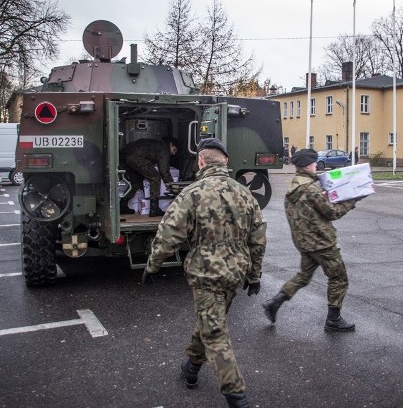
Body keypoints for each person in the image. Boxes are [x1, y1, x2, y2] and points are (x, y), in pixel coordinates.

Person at [142, 138, 266, 408]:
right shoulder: (245, 194)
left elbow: (168, 234)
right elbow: (258, 238)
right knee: (212, 322)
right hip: (236, 272)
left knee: (214, 332)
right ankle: (191, 366)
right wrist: (254, 275)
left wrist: (153, 265)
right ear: (226, 162)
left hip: (206, 273)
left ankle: (236, 395)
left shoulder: (192, 194)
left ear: (200, 161)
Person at [262, 148, 364, 332]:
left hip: (305, 243)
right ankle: (333, 319)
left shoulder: (295, 185)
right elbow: (332, 212)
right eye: (315, 163)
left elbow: (307, 211)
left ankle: (274, 302)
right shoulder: (311, 188)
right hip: (322, 243)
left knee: (303, 276)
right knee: (339, 278)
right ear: (308, 165)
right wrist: (352, 200)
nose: (316, 165)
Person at [120, 136, 178, 216]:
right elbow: (164, 172)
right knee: (155, 177)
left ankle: (122, 204)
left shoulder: (157, 144)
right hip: (135, 157)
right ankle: (154, 209)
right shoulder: (164, 148)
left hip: (125, 155)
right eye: (174, 150)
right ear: (171, 144)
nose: (174, 153)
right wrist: (175, 190)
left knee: (137, 180)